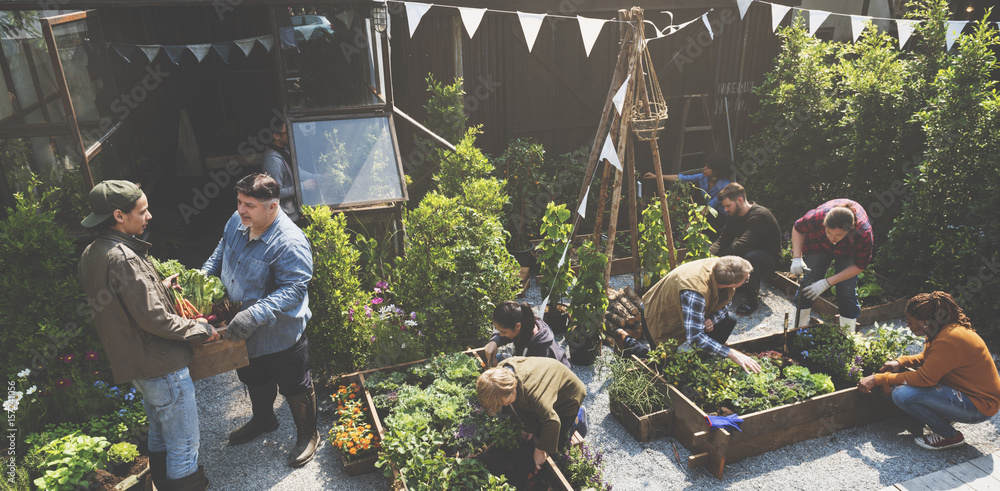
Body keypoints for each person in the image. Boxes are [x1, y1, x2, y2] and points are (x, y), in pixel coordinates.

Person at [78, 180, 219, 490]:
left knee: (159, 431)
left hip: (139, 364)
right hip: (161, 365)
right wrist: (199, 328)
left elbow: (121, 304)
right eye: (142, 211)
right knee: (183, 446)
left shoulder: (93, 252)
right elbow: (153, 319)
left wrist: (160, 287)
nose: (149, 216)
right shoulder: (125, 257)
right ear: (118, 215)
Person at [201, 173, 318, 467]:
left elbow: (294, 289)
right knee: (253, 375)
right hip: (243, 334)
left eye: (249, 205)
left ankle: (308, 435)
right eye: (239, 202)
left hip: (279, 334)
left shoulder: (290, 242)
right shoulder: (237, 220)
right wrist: (202, 276)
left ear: (272, 207)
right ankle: (264, 419)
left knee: (295, 385)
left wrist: (254, 313)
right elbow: (221, 249)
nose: (241, 209)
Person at [858, 292, 1000, 450]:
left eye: (909, 322)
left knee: (902, 395)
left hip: (979, 406)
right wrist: (901, 361)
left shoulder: (948, 338)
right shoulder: (937, 329)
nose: (907, 326)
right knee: (903, 388)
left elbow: (925, 378)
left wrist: (880, 379)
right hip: (966, 393)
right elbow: (928, 358)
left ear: (924, 323)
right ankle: (944, 415)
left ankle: (949, 435)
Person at [611, 256, 762, 374]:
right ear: (731, 283)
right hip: (660, 315)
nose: (748, 278)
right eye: (746, 279)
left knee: (729, 320)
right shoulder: (695, 292)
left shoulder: (721, 267)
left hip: (687, 310)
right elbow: (694, 336)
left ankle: (703, 360)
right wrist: (730, 353)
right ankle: (628, 343)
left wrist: (711, 319)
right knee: (663, 365)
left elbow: (726, 304)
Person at [477, 357, 588, 471]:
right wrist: (529, 427)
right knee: (540, 429)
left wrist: (540, 451)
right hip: (546, 384)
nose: (505, 405)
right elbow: (518, 404)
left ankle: (577, 418)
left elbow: (552, 421)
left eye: (505, 402)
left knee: (557, 440)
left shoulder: (533, 393)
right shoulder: (502, 374)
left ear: (512, 388)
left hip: (568, 395)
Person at [789, 199, 873, 332]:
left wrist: (827, 283)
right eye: (829, 232)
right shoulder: (816, 217)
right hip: (819, 244)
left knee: (846, 289)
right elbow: (797, 228)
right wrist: (797, 258)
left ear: (849, 230)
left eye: (838, 234)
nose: (832, 238)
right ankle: (797, 328)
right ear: (824, 225)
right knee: (808, 282)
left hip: (848, 249)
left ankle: (847, 334)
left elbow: (860, 265)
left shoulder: (863, 233)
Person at [709, 183, 781, 316]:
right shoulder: (732, 215)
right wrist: (707, 257)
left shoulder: (759, 216)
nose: (725, 209)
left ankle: (752, 301)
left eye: (728, 205)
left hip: (768, 259)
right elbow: (723, 241)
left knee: (749, 256)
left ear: (740, 201)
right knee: (740, 256)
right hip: (747, 253)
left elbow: (741, 246)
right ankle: (740, 285)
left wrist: (717, 261)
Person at [643, 154, 733, 227]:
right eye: (705, 165)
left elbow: (709, 208)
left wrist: (692, 224)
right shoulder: (703, 178)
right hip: (709, 213)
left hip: (722, 216)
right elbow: (681, 178)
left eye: (708, 167)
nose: (704, 168)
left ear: (716, 172)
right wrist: (657, 176)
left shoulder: (724, 186)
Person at [483, 301, 570, 368]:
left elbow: (531, 378)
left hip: (552, 378)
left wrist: (499, 369)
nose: (501, 335)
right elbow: (503, 334)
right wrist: (494, 341)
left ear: (518, 326)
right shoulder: (525, 323)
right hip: (531, 366)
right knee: (498, 357)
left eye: (503, 332)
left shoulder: (540, 350)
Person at [261, 120, 318, 222]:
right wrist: (302, 186)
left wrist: (320, 177)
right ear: (276, 136)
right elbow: (275, 192)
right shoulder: (273, 160)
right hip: (286, 217)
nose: (292, 133)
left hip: (293, 212)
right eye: (287, 131)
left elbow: (297, 171)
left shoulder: (284, 150)